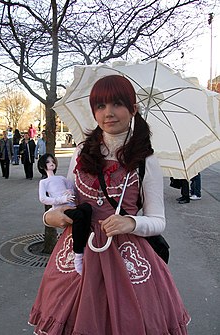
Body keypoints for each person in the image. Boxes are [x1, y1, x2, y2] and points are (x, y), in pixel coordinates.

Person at [29, 75, 190, 334]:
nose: (109, 113)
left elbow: (158, 220)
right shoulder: (81, 152)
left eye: (117, 104)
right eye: (101, 106)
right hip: (77, 254)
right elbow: (66, 200)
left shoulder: (145, 160)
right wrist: (52, 217)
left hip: (127, 256)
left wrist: (131, 222)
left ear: (133, 109)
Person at [38, 153, 92, 274]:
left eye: (52, 161)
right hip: (61, 208)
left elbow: (72, 188)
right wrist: (60, 200)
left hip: (72, 205)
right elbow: (43, 199)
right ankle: (78, 254)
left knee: (87, 208)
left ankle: (83, 242)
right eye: (48, 162)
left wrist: (70, 192)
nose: (51, 163)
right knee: (78, 216)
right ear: (43, 166)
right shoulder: (44, 182)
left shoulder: (61, 178)